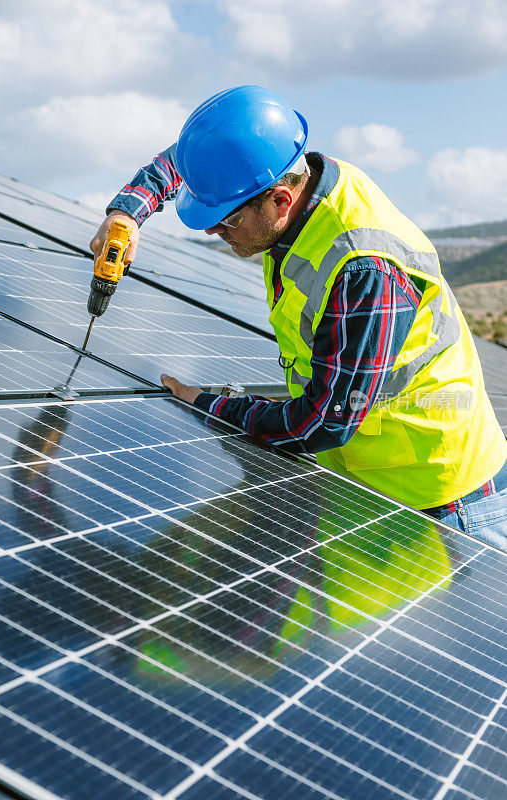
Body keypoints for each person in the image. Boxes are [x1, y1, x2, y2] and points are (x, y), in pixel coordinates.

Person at [90, 85, 507, 545]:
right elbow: (188, 159)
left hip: (440, 502)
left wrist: (205, 404)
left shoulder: (363, 270)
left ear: (280, 201)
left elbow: (322, 421)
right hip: (367, 483)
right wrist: (128, 212)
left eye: (226, 220)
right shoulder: (285, 174)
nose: (212, 228)